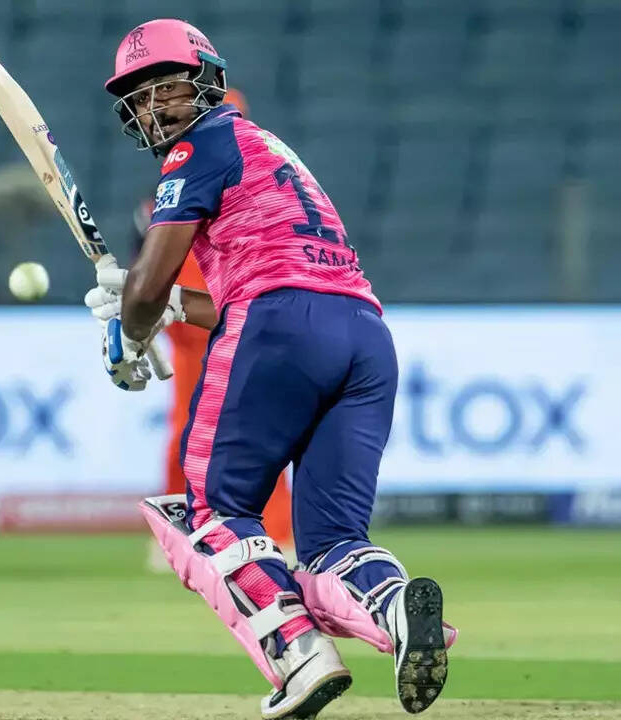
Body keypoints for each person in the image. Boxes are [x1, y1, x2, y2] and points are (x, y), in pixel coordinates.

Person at [84, 19, 455, 719]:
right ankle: (396, 603)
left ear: (209, 84)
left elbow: (158, 287)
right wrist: (160, 307)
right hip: (364, 336)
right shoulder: (267, 146)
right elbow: (227, 291)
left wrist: (129, 328)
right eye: (141, 95)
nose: (155, 106)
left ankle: (300, 656)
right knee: (334, 542)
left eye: (169, 87)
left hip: (278, 327)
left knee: (210, 513)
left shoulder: (196, 147)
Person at [129, 89, 296, 572]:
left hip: (238, 321)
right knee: (189, 436)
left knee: (258, 437)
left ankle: (276, 535)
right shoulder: (176, 181)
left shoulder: (250, 177)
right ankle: (180, 535)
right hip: (191, 332)